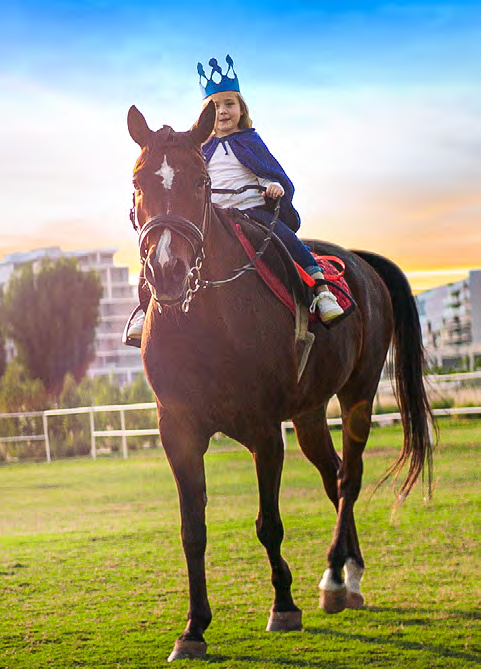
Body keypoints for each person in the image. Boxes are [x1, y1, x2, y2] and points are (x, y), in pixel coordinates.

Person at [125, 55, 343, 345]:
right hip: (216, 216)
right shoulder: (198, 151)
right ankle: (146, 307)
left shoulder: (250, 143)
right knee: (166, 248)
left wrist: (273, 187)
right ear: (206, 115)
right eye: (215, 106)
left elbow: (268, 173)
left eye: (229, 104)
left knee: (284, 238)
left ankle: (319, 288)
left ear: (242, 108)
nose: (223, 111)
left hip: (253, 211)